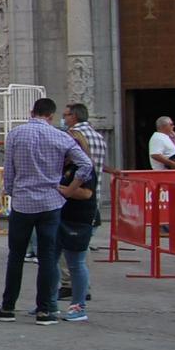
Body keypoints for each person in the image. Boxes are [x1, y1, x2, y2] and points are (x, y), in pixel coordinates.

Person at [0, 98, 91, 325]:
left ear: (31, 112)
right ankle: (45, 310)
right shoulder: (61, 136)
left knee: (16, 256)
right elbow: (86, 165)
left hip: (23, 202)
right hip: (51, 202)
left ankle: (8, 306)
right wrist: (68, 189)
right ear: (51, 116)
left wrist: (11, 191)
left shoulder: (16, 134)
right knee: (47, 257)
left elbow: (10, 169)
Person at [58, 103, 107, 321]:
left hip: (79, 209)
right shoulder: (98, 136)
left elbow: (83, 191)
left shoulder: (75, 139)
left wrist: (62, 189)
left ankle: (77, 294)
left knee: (74, 258)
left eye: (66, 115)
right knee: (70, 254)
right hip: (90, 203)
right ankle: (69, 294)